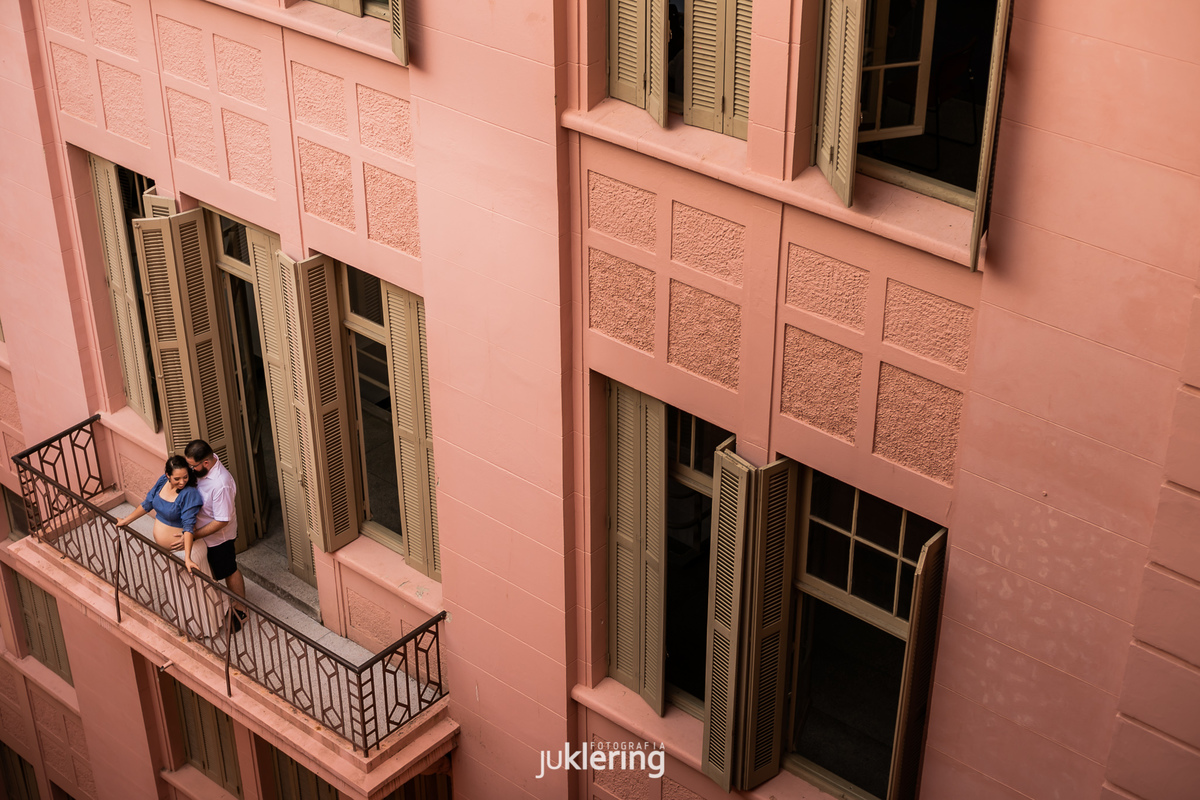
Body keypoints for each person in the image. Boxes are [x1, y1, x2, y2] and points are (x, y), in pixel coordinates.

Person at [184, 439, 248, 632]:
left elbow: (222, 520)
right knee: (213, 570)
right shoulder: (202, 471)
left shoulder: (222, 484)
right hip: (202, 534)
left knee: (228, 570)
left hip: (219, 538)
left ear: (205, 463)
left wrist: (194, 535)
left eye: (192, 466)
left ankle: (240, 608)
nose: (190, 469)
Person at [116, 456, 203, 551]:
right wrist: (126, 521)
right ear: (168, 475)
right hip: (167, 552)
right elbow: (148, 503)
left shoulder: (189, 493)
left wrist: (187, 558)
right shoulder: (163, 481)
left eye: (185, 477)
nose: (182, 482)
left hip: (182, 551)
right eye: (177, 479)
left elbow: (189, 525)